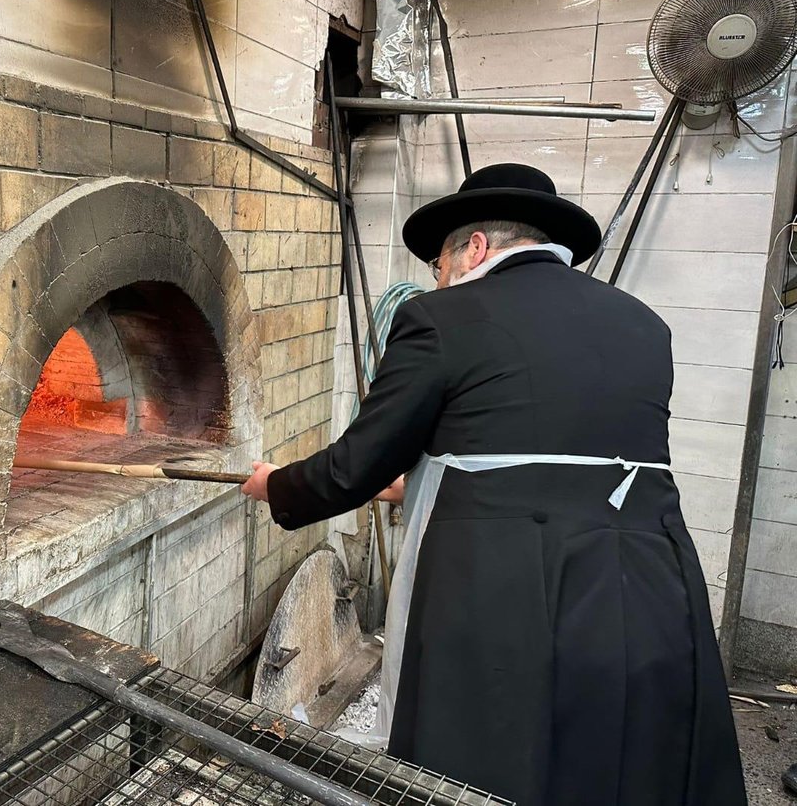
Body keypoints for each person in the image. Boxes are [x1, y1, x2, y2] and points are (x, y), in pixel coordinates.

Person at [241, 164, 746, 806]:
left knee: (488, 761)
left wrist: (274, 485)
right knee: (614, 756)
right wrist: (415, 484)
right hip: (647, 583)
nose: (439, 279)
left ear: (474, 246)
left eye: (439, 264)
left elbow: (352, 469)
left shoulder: (442, 317)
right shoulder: (643, 324)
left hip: (506, 591)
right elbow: (542, 452)